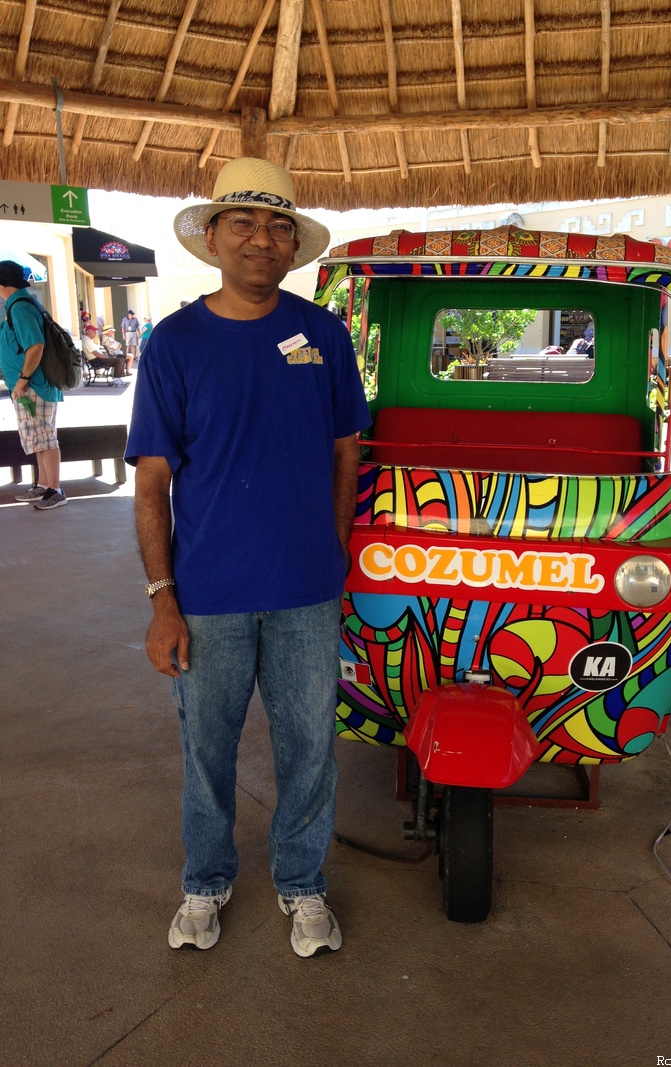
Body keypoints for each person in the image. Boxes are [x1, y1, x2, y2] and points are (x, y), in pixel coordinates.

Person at [125, 157, 370, 958]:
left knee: (310, 747)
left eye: (277, 227)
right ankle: (206, 880)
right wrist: (164, 596)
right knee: (207, 748)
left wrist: (332, 547)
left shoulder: (323, 334)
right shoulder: (174, 343)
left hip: (307, 589)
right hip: (208, 594)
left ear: (293, 245)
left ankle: (302, 884)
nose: (261, 239)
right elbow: (153, 481)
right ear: (214, 237)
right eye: (244, 224)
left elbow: (346, 451)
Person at [0, 260, 67, 509]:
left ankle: (55, 489)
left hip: (34, 385)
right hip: (30, 387)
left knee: (45, 437)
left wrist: (23, 379)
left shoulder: (19, 307)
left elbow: (36, 346)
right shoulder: (18, 304)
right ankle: (44, 484)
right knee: (38, 437)